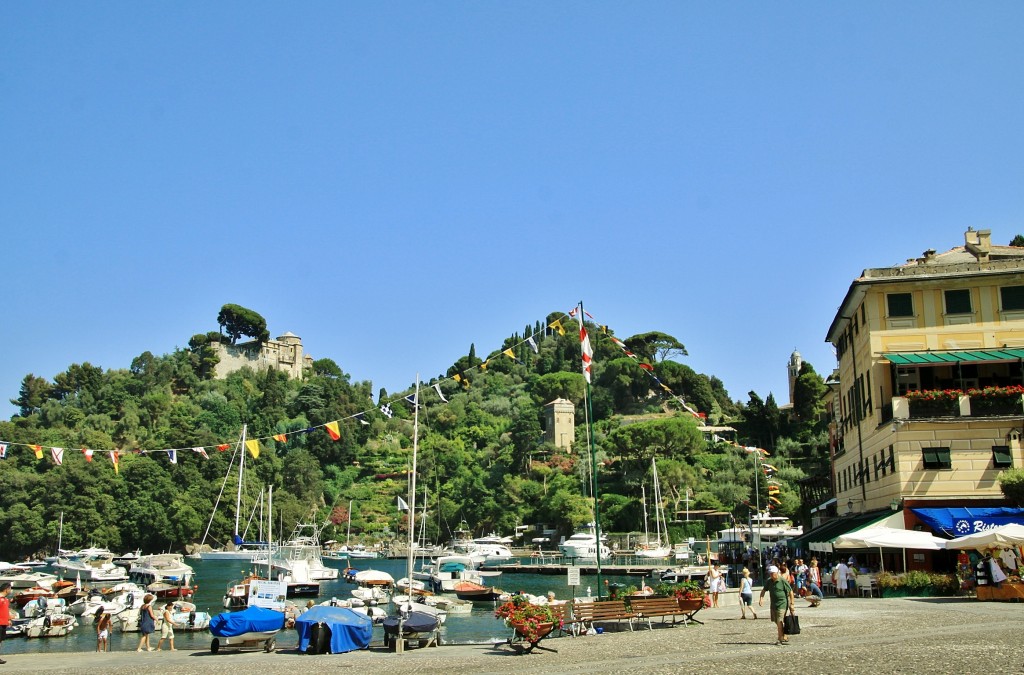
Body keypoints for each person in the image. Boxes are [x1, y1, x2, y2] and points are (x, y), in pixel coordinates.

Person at [758, 565, 795, 646]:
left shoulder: (782, 581)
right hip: (773, 605)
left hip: (782, 604)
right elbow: (764, 590)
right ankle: (784, 635)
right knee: (776, 621)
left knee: (779, 621)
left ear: (777, 573)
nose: (771, 575)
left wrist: (792, 603)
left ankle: (780, 639)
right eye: (770, 574)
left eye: (773, 573)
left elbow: (790, 592)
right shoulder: (769, 581)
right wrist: (761, 599)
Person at [0, 582, 11, 664]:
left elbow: (6, 611)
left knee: (0, 640)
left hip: (4, 622)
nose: (10, 590)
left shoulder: (6, 600)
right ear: (6, 589)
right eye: (10, 588)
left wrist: (9, 619)